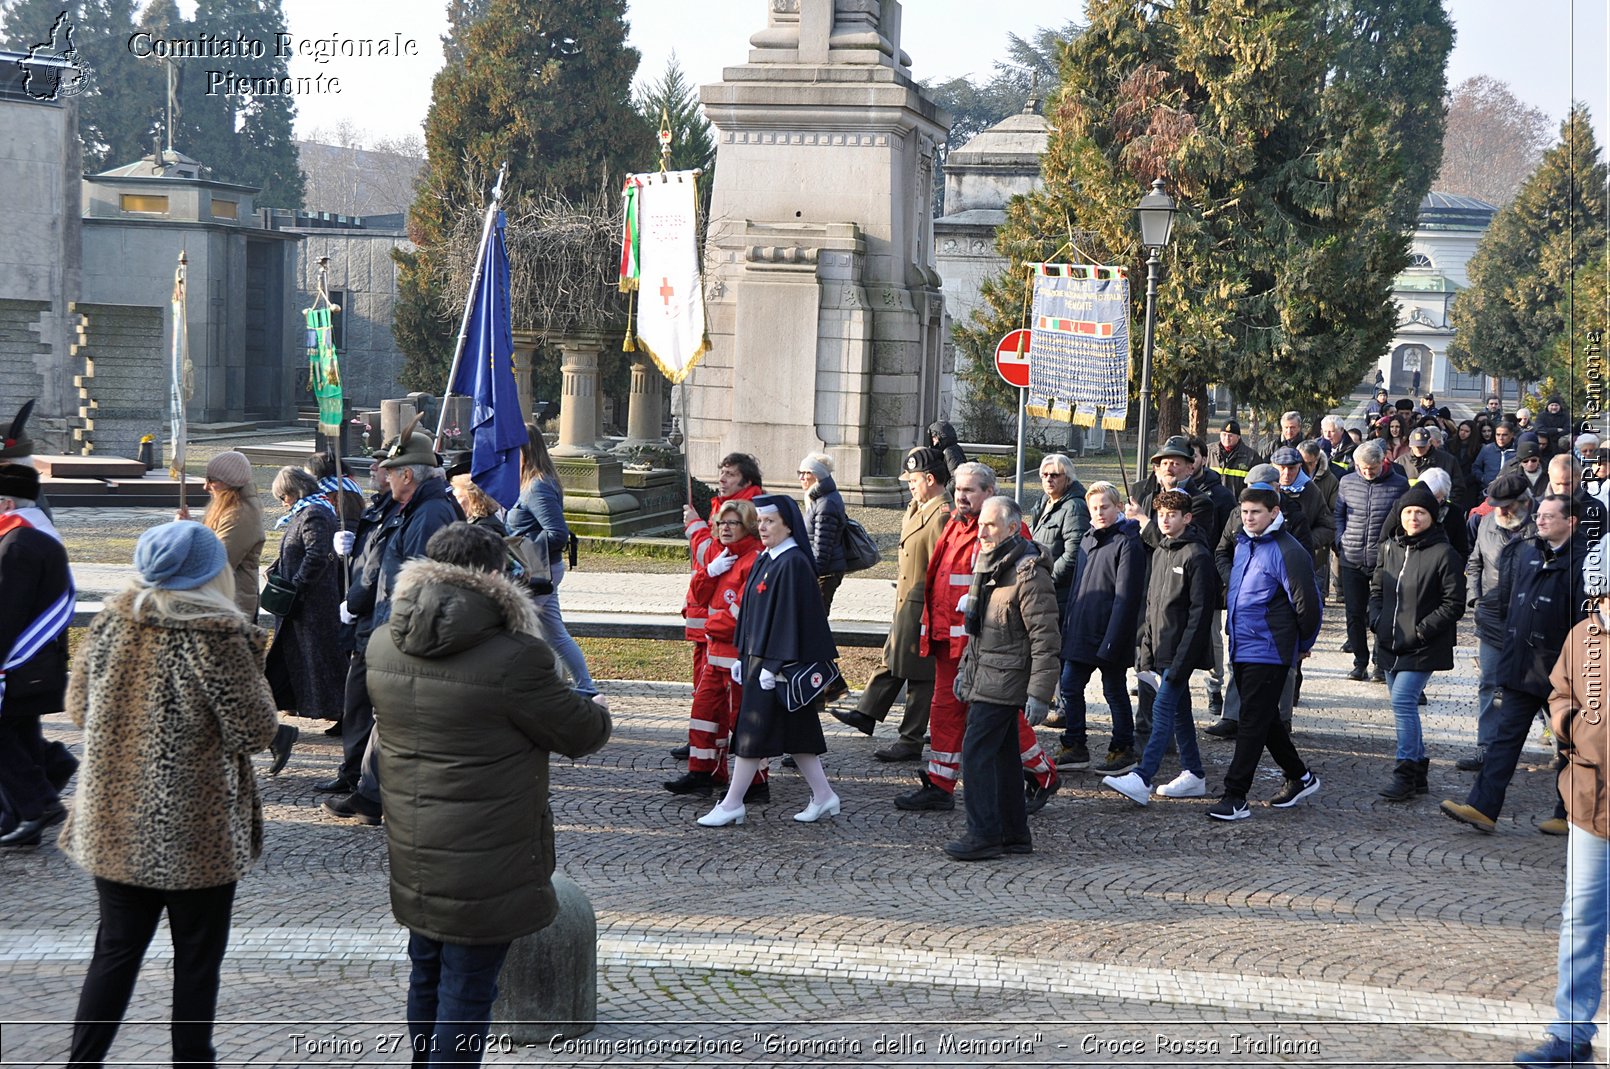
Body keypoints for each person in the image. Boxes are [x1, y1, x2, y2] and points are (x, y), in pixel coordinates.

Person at [366, 522, 611, 1065]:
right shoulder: (516, 657)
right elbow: (581, 732)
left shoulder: (384, 641)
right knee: (469, 988)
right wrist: (588, 702)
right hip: (489, 853)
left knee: (426, 970)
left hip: (414, 843)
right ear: (496, 575)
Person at [61, 521, 278, 1066]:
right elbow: (255, 731)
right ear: (212, 574)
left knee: (114, 952)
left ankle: (81, 1062)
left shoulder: (111, 622)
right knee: (198, 961)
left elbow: (78, 711)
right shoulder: (218, 637)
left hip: (113, 821)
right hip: (195, 832)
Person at [896, 462, 1058, 812]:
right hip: (948, 642)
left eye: (970, 490)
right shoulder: (954, 524)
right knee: (944, 712)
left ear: (990, 492)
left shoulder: (1006, 531)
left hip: (985, 648)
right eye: (958, 489)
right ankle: (940, 784)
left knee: (1001, 718)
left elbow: (1022, 594)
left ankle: (1042, 773)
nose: (961, 496)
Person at [325, 427, 462, 825]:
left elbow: (419, 579)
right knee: (382, 715)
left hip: (401, 629)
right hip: (384, 623)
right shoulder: (408, 507)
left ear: (409, 475)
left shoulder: (429, 512)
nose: (386, 474)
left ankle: (374, 795)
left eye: (393, 469)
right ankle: (368, 792)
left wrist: (402, 631)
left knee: (393, 717)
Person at [1512, 555, 1610, 1067]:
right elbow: (1560, 690)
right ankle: (1571, 1033)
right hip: (1591, 800)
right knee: (1581, 920)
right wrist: (1569, 721)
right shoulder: (1583, 635)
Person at [1442, 494, 1589, 834]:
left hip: (1563, 674)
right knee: (1503, 741)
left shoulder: (1585, 562)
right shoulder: (1527, 553)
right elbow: (1511, 607)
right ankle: (1482, 808)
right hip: (1522, 667)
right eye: (1539, 515)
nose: (1540, 520)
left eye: (1550, 516)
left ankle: (1570, 814)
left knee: (1570, 745)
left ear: (1572, 522)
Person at [698, 494, 842, 826]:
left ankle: (733, 802)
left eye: (770, 522)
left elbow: (790, 619)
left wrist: (773, 666)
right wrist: (740, 652)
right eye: (760, 522)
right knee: (799, 735)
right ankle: (824, 796)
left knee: (751, 734)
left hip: (775, 666)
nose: (762, 527)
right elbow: (751, 612)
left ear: (787, 525)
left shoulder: (792, 563)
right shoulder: (769, 557)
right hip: (757, 662)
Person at [947, 495, 1060, 860]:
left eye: (991, 525)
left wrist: (1040, 694)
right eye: (981, 524)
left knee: (976, 752)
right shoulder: (992, 565)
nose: (982, 531)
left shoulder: (1028, 572)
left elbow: (1046, 637)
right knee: (1003, 756)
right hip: (989, 675)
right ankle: (1013, 834)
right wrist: (966, 672)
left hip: (1006, 680)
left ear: (1012, 528)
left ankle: (984, 835)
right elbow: (981, 632)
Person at [832, 447, 948, 761]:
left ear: (930, 478)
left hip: (923, 604)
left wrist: (932, 610)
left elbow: (942, 566)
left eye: (913, 479)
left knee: (920, 674)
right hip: (907, 600)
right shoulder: (920, 507)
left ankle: (910, 739)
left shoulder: (942, 513)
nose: (909, 484)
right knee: (893, 657)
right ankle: (867, 712)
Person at [1213, 485, 1322, 821]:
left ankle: (1236, 796)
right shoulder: (1244, 544)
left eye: (1255, 512)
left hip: (1271, 650)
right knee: (1264, 718)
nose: (1249, 518)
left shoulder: (1289, 551)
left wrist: (1302, 645)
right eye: (1244, 512)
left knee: (1251, 722)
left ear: (1273, 513)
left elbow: (1309, 605)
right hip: (1243, 646)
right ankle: (1300, 776)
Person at [1102, 489, 1216, 806]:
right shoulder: (1161, 551)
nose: (1165, 520)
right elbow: (1152, 606)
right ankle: (1193, 773)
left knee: (1162, 711)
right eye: (1161, 514)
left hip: (1182, 652)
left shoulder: (1197, 555)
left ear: (1187, 518)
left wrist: (1182, 660)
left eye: (1172, 514)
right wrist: (1147, 652)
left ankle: (1142, 777)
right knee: (1178, 714)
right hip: (1161, 650)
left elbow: (1200, 614)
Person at [1368, 484, 1466, 801]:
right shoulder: (1389, 548)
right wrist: (1376, 621)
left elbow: (1454, 604)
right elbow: (1377, 591)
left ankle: (1405, 772)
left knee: (1402, 702)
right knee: (1403, 705)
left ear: (1431, 517)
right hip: (1390, 641)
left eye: (1420, 512)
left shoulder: (1444, 554)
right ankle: (1419, 770)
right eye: (1408, 511)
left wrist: (1421, 631)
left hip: (1424, 644)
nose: (1413, 517)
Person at [666, 499, 767, 801]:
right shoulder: (724, 555)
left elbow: (744, 612)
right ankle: (702, 773)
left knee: (742, 720)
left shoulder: (754, 559)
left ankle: (757, 783)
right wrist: (709, 571)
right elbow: (698, 595)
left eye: (732, 523)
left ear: (746, 526)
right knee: (704, 713)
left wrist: (711, 624)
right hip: (715, 654)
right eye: (721, 523)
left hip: (738, 657)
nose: (724, 528)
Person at [0, 463, 73, 846]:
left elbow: (7, 613)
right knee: (22, 735)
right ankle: (24, 808)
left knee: (7, 736)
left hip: (19, 665)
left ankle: (38, 804)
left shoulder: (18, 544)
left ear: (7, 501)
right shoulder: (35, 536)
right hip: (35, 666)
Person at [677, 453, 764, 760]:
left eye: (729, 474)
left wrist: (696, 528)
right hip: (711, 628)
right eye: (721, 472)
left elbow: (711, 553)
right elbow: (706, 576)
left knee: (734, 708)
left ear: (747, 481)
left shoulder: (748, 511)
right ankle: (703, 764)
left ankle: (747, 776)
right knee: (706, 701)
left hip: (727, 636)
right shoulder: (727, 507)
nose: (721, 479)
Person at [1055, 480, 1146, 773]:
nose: (1099, 513)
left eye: (1104, 507)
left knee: (1114, 691)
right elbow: (1079, 587)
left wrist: (1112, 640)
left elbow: (1126, 597)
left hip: (1110, 632)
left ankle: (1123, 747)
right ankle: (1075, 744)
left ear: (1118, 507)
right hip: (1081, 629)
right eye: (1094, 508)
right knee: (1069, 686)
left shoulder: (1128, 541)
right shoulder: (1087, 537)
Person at [324, 450, 399, 794]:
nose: (372, 468)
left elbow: (378, 568)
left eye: (380, 465)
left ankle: (362, 780)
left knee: (364, 703)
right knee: (355, 703)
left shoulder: (398, 511)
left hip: (375, 617)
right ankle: (352, 771)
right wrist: (347, 551)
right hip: (365, 617)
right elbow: (366, 558)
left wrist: (354, 603)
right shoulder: (378, 506)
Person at [261, 467, 345, 769]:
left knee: (321, 661)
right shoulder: (306, 512)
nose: (282, 502)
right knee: (294, 662)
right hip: (302, 607)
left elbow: (316, 555)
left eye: (283, 497)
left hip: (312, 606)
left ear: (295, 491)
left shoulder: (314, 514)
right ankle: (324, 711)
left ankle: (342, 712)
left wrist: (294, 586)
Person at [1456, 471, 1537, 773]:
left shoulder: (1542, 525)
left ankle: (1565, 749)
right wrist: (1475, 599)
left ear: (1524, 502)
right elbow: (1474, 562)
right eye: (1496, 505)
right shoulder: (1488, 522)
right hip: (1491, 619)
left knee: (1538, 688)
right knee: (1488, 684)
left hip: (1531, 624)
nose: (1500, 511)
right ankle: (1485, 749)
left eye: (1506, 505)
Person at [1334, 440, 1409, 683]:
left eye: (1372, 468)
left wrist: (1394, 548)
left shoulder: (1399, 484)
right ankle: (1359, 661)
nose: (1367, 473)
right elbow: (1339, 514)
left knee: (1383, 613)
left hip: (1384, 561)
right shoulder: (1347, 482)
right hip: (1352, 556)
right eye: (1363, 468)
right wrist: (1340, 539)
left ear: (1382, 463)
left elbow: (1403, 520)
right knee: (1354, 614)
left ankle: (1380, 662)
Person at [184, 450, 265, 619]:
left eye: (211, 480)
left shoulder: (240, 515)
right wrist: (189, 526)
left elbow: (217, 561)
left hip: (231, 605)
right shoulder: (231, 508)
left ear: (230, 482)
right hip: (223, 600)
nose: (206, 486)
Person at [1028, 452, 1088, 618]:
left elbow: (1074, 554)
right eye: (1044, 475)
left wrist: (1046, 580)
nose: (1048, 479)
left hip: (1058, 593)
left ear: (1067, 478)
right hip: (1039, 588)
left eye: (1054, 475)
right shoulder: (1044, 502)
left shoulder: (1074, 507)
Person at [798, 452, 847, 613]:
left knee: (815, 619)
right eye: (801, 472)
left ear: (818, 475)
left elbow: (823, 547)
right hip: (822, 570)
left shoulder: (825, 504)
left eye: (807, 472)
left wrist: (811, 574)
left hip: (825, 573)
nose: (802, 478)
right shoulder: (818, 498)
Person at [1209, 419, 1259, 498]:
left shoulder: (1251, 457)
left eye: (1230, 435)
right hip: (1212, 503)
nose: (1227, 438)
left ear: (1238, 437)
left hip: (1238, 505)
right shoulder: (1209, 452)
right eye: (1224, 434)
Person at [1471, 420, 1518, 491]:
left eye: (1504, 435)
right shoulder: (1487, 449)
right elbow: (1476, 467)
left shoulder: (1517, 451)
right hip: (1488, 490)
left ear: (1512, 435)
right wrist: (1483, 478)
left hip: (1510, 491)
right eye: (1498, 434)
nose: (1501, 438)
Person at [928, 420, 967, 484]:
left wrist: (945, 492)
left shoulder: (949, 451)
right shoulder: (954, 448)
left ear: (939, 437)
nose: (933, 441)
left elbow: (956, 477)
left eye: (934, 437)